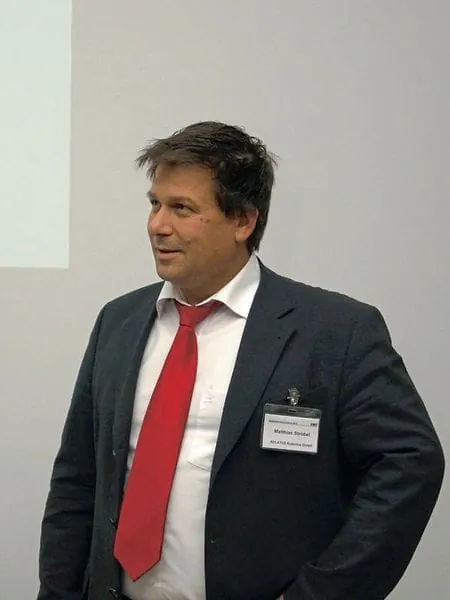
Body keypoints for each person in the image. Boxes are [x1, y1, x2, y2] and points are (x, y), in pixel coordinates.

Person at [38, 121, 445, 600]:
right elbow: (77, 477)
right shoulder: (119, 321)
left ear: (243, 221)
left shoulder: (334, 331)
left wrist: (323, 592)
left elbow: (409, 464)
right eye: (155, 204)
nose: (158, 226)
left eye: (182, 208)